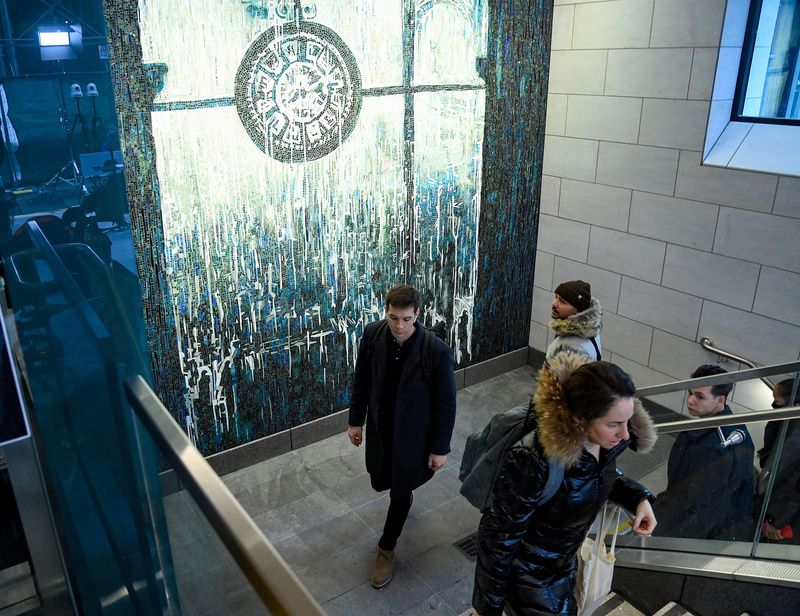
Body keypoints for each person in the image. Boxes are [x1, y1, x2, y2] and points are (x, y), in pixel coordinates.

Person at [471, 353, 657, 616]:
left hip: (564, 564)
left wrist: (639, 498)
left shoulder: (601, 444)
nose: (625, 434)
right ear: (580, 417)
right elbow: (498, 538)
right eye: (614, 424)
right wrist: (486, 608)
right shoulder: (533, 460)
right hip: (529, 578)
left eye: (627, 422)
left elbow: (598, 476)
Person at [347, 284, 457, 588]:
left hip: (414, 435)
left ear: (417, 314)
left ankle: (387, 547)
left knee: (399, 487)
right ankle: (402, 494)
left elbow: (446, 404)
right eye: (394, 317)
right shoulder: (373, 335)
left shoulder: (436, 351)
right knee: (381, 476)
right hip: (382, 429)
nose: (399, 326)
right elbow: (362, 379)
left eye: (406, 319)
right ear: (386, 311)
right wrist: (356, 421)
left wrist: (439, 448)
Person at [654, 364, 755, 541]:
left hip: (703, 533)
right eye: (690, 393)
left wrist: (664, 534)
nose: (691, 400)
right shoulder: (734, 426)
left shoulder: (710, 448)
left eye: (700, 396)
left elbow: (704, 509)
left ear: (720, 400)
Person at [757, 378, 800, 543]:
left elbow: (790, 482)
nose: (774, 404)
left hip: (781, 517)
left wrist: (777, 521)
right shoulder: (787, 421)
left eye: (777, 401)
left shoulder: (794, 439)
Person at [546, 280, 602, 361]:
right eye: (556, 297)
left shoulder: (571, 348)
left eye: (562, 302)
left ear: (578, 310)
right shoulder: (590, 328)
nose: (554, 303)